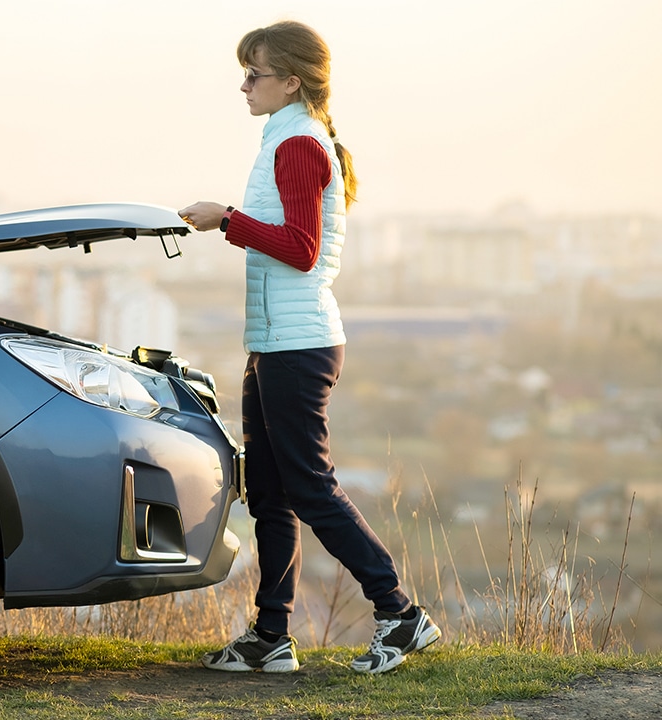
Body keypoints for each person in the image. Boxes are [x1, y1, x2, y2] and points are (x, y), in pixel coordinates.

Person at [178, 20, 440, 675]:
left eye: (254, 73)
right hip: (273, 344)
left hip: (299, 347)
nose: (243, 85)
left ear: (291, 79)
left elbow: (299, 249)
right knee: (268, 492)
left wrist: (227, 220)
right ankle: (272, 638)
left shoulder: (298, 143)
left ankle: (400, 613)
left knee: (310, 487)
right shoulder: (285, 138)